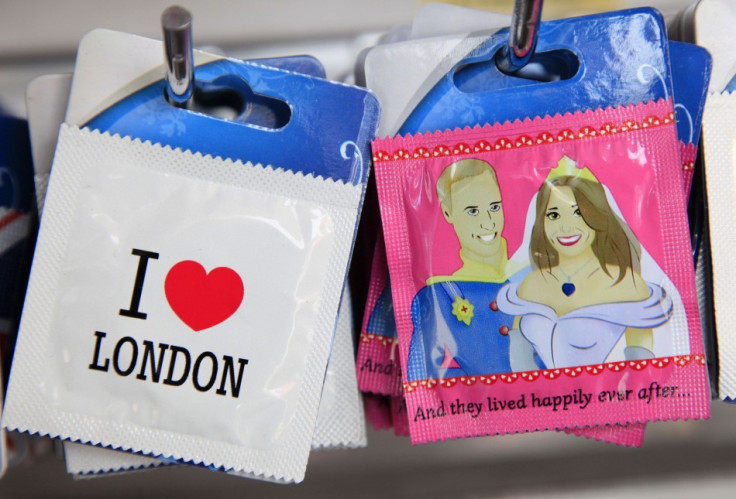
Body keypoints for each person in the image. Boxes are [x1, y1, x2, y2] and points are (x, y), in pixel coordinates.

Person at [496, 156, 673, 368]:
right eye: (553, 215)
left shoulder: (628, 283)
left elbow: (641, 365)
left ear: (599, 216)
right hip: (537, 399)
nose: (566, 227)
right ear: (541, 223)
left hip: (609, 399)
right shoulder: (531, 284)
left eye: (578, 213)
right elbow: (520, 360)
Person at [406, 158, 534, 381]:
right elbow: (423, 375)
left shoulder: (533, 276)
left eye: (494, 207)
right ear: (447, 213)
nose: (488, 223)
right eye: (472, 211)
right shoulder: (439, 295)